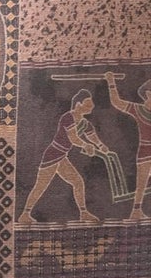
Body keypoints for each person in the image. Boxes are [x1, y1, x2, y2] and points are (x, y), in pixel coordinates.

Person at [19, 90, 108, 224]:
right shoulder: (68, 117)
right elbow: (73, 138)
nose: (92, 106)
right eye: (88, 103)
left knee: (77, 182)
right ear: (78, 104)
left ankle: (83, 213)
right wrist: (86, 145)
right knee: (41, 186)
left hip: (62, 157)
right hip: (52, 155)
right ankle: (24, 215)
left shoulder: (84, 122)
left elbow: (92, 135)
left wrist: (101, 146)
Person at [104, 73, 151, 220]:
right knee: (141, 183)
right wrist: (111, 82)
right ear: (148, 94)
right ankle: (136, 211)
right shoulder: (138, 109)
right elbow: (116, 102)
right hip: (145, 151)